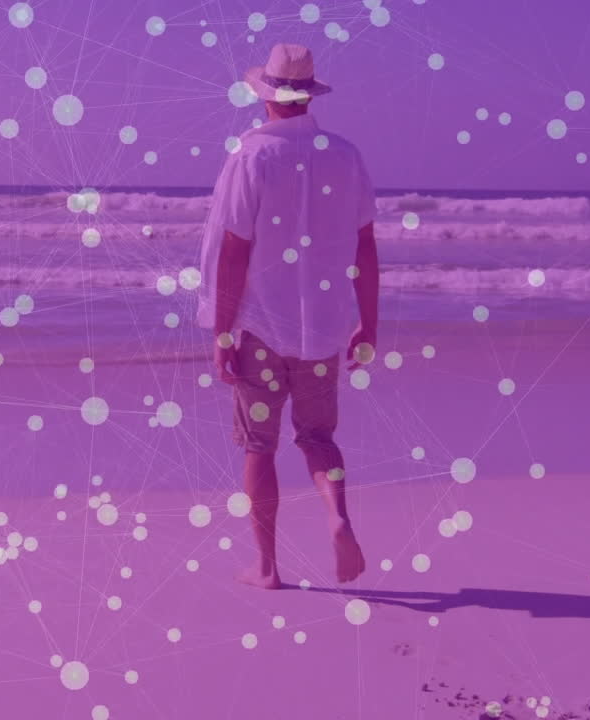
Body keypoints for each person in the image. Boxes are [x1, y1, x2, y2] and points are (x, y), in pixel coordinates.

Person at [197, 43, 377, 589]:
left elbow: (233, 250)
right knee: (318, 436)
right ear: (309, 94)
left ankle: (268, 567)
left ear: (268, 94)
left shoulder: (252, 156)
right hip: (321, 326)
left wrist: (223, 330)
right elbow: (365, 246)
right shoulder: (345, 154)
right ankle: (336, 515)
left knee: (259, 446)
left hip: (259, 325)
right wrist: (369, 322)